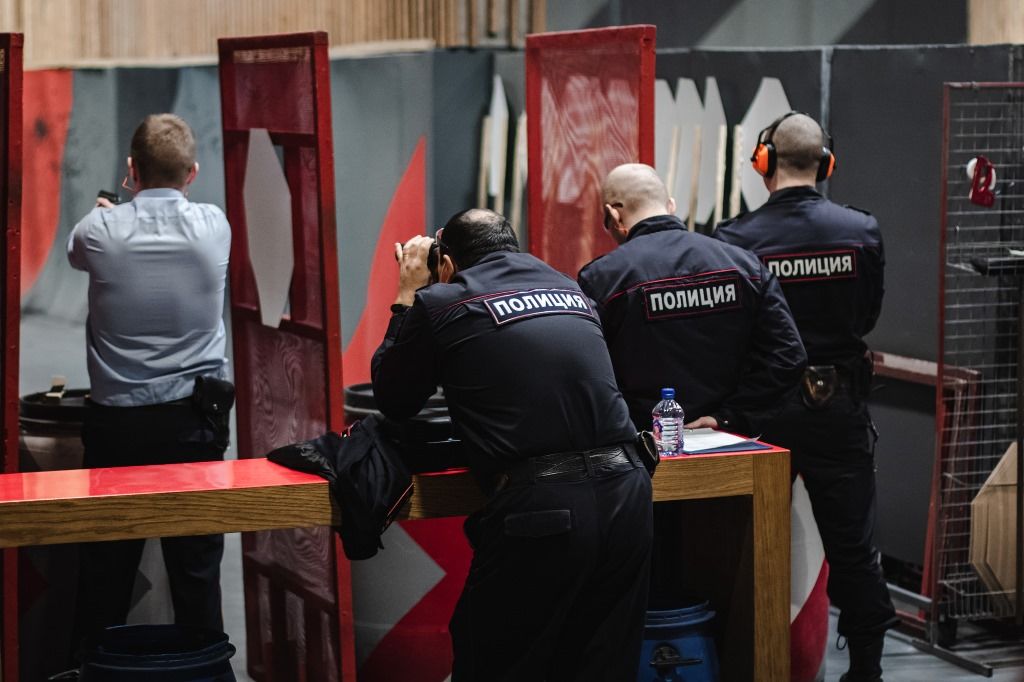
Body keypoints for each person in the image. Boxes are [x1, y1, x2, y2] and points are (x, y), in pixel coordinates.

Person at [371, 209, 653, 682]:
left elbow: (395, 398)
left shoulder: (441, 301)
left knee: (492, 660)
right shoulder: (569, 288)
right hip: (629, 495)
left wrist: (406, 297)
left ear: (447, 263)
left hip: (542, 509)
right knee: (601, 663)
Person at [714, 111, 896, 682]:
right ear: (827, 163)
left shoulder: (735, 238)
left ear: (763, 162)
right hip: (838, 406)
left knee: (742, 543)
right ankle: (866, 670)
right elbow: (866, 316)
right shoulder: (862, 230)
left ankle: (746, 663)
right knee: (855, 550)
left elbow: (732, 333)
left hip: (763, 409)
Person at [68, 114, 232, 647]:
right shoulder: (214, 226)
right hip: (194, 425)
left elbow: (78, 252)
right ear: (192, 173)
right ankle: (206, 673)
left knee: (105, 573)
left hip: (117, 427)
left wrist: (110, 211)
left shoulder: (97, 231)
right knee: (197, 573)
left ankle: (97, 670)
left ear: (131, 169)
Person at [577, 163, 806, 439]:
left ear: (614, 215)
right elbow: (788, 357)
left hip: (645, 447)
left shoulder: (602, 279)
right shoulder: (744, 266)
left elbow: (587, 373)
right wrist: (730, 418)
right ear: (671, 205)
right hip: (730, 444)